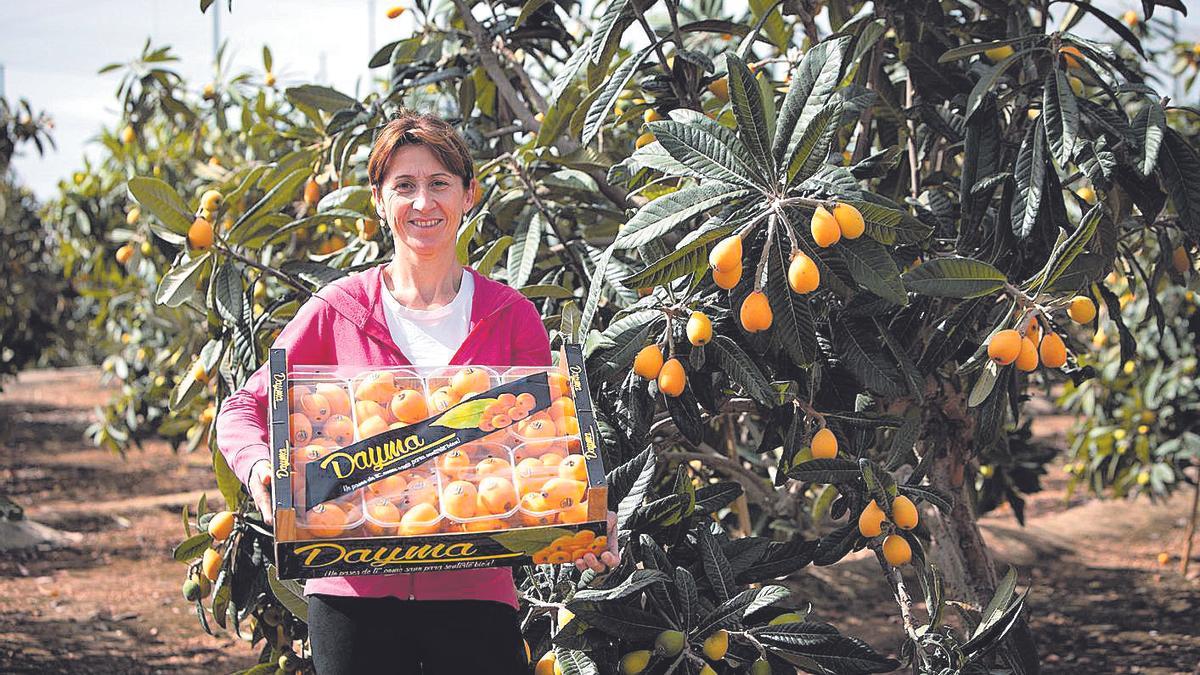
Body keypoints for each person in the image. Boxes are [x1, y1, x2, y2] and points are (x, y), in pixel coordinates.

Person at [216, 110, 619, 674]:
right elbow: (243, 408)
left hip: (475, 597)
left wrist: (585, 515)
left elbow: (543, 450)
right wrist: (262, 470)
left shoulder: (511, 318)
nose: (423, 203)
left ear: (468, 195)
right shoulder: (339, 311)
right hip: (351, 598)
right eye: (404, 186)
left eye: (439, 184)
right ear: (379, 201)